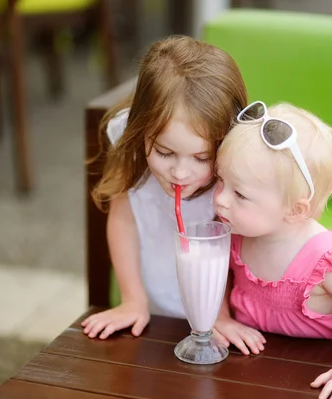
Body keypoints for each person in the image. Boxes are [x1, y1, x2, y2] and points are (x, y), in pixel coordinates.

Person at [81, 35, 265, 349]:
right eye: (165, 152)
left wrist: (218, 315)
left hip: (220, 314)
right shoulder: (131, 149)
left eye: (202, 158)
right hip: (157, 312)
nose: (180, 173)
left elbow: (238, 245)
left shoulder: (235, 165)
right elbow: (124, 221)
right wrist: (132, 300)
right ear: (140, 129)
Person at [214, 101, 332, 399]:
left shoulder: (325, 262)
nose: (220, 199)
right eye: (220, 181)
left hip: (316, 381)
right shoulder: (238, 230)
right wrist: (220, 318)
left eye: (239, 194)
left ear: (296, 210)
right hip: (248, 376)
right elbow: (220, 278)